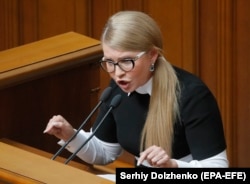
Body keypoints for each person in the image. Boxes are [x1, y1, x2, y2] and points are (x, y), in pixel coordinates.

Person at [44, 11, 228, 168]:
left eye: (126, 61)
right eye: (109, 62)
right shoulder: (117, 89)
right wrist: (70, 135)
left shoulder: (192, 95)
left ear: (152, 55)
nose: (117, 73)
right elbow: (105, 152)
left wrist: (172, 166)